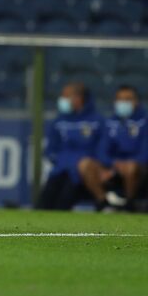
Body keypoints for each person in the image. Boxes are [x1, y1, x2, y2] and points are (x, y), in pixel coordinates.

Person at [38, 82, 106, 211]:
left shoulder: (97, 122)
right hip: (60, 170)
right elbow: (50, 151)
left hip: (82, 174)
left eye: (65, 96)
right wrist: (64, 162)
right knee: (44, 203)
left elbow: (102, 150)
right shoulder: (59, 122)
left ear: (78, 98)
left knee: (63, 202)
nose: (62, 100)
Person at [87, 85, 148, 211]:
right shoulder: (109, 122)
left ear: (136, 101)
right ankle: (103, 202)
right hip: (114, 166)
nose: (123, 103)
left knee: (130, 167)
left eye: (128, 99)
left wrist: (125, 164)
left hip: (139, 168)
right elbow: (101, 151)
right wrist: (114, 164)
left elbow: (146, 153)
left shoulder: (146, 122)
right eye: (120, 99)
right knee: (86, 164)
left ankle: (129, 204)